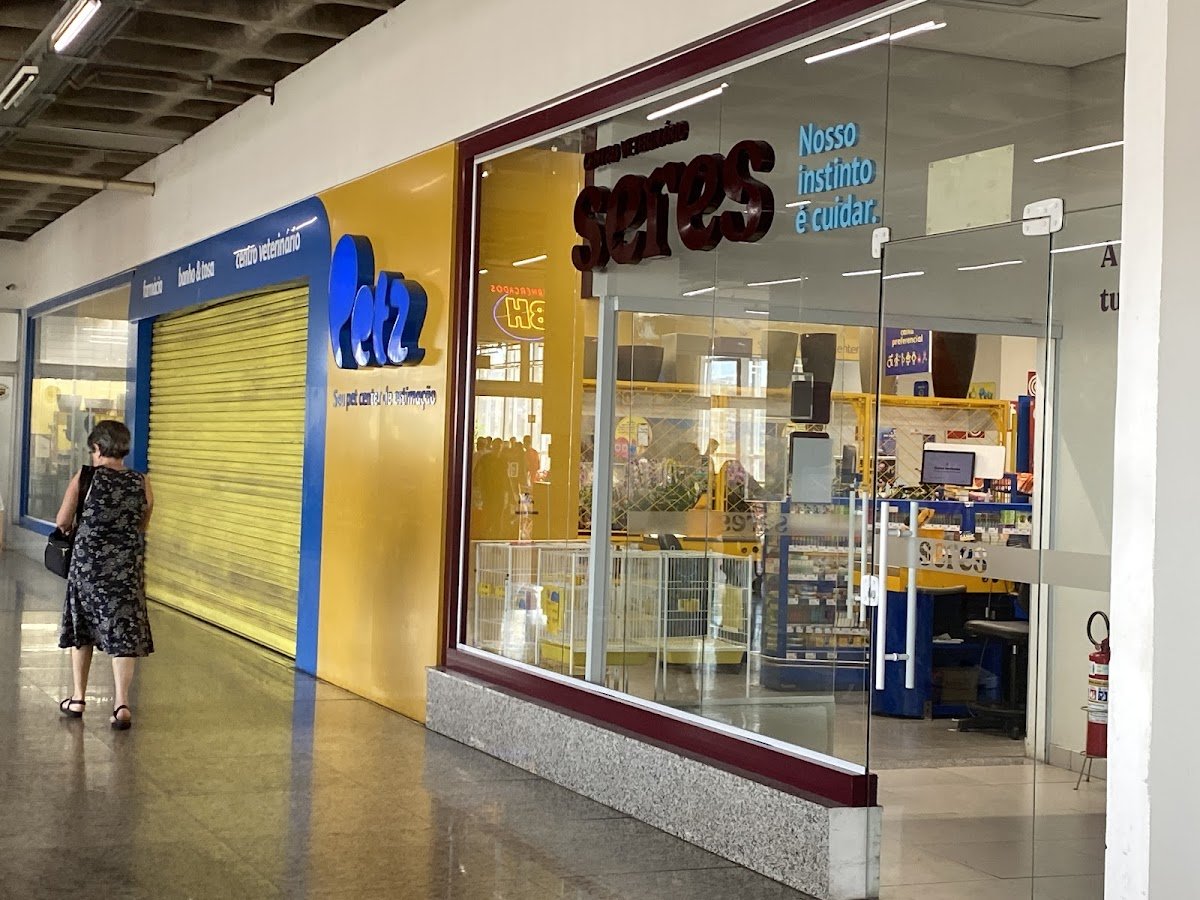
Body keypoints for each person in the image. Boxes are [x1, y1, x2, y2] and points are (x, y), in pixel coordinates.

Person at [56, 420, 154, 730]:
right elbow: (143, 523)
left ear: (98, 448)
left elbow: (62, 520)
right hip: (125, 569)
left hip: (88, 569)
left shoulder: (86, 477)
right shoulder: (141, 481)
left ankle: (78, 698)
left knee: (82, 630)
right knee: (123, 632)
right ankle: (121, 705)